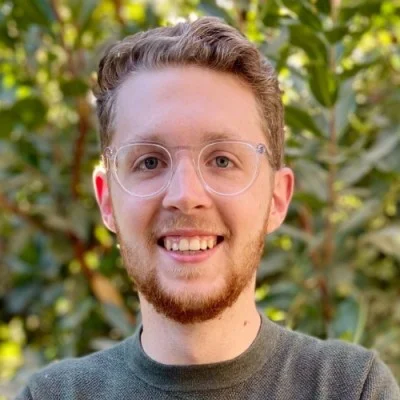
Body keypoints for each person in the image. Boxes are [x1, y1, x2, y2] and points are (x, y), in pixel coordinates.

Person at [17, 17, 399, 400]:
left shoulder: (351, 388)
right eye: (149, 162)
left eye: (222, 160)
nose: (186, 195)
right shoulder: (53, 396)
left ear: (277, 198)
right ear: (107, 201)